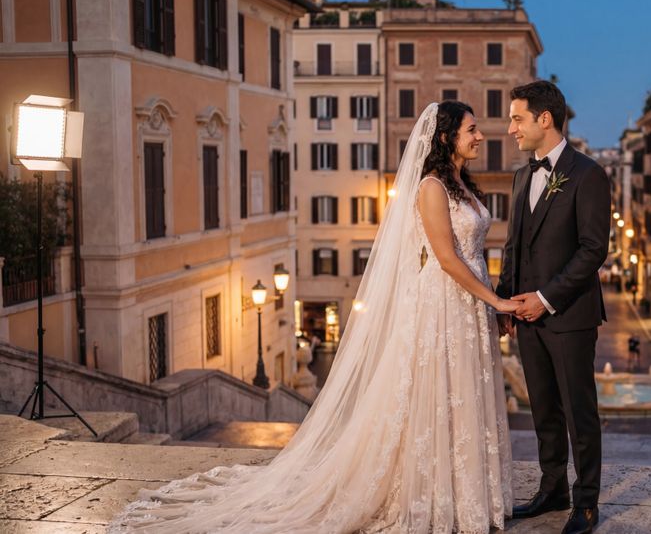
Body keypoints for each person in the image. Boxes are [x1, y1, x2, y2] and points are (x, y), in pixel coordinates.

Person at [107, 102, 522, 533]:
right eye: (471, 130)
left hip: (468, 305)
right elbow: (446, 259)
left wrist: (490, 306)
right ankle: (431, 494)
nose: (480, 136)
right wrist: (499, 302)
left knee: (462, 392)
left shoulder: (461, 182)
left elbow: (472, 256)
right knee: (439, 392)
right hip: (444, 304)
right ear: (444, 137)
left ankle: (462, 490)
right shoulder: (432, 187)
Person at [496, 80, 610, 534]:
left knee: (578, 410)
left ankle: (585, 502)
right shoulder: (523, 174)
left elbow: (592, 249)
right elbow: (513, 245)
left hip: (569, 316)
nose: (510, 129)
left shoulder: (589, 174)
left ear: (545, 119)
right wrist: (506, 300)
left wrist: (545, 299)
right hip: (525, 317)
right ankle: (552, 489)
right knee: (542, 408)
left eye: (517, 118)